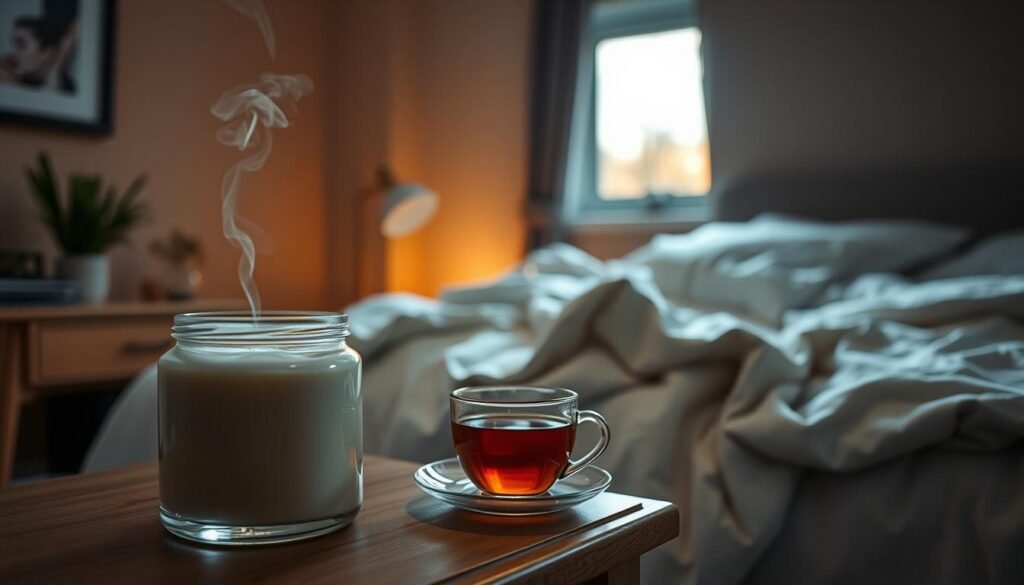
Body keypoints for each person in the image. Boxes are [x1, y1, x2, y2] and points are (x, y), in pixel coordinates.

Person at [0, 16, 78, 94]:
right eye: (13, 45)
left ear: (46, 52)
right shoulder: (15, 79)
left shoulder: (68, 91)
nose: (13, 52)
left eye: (21, 45)